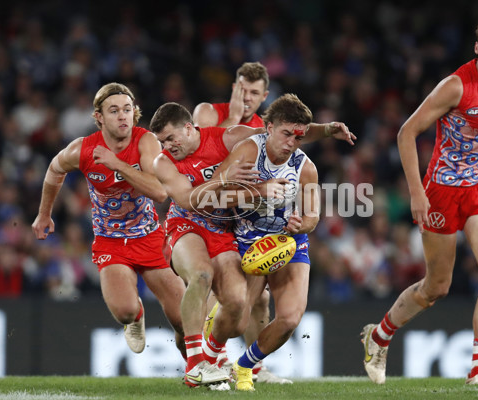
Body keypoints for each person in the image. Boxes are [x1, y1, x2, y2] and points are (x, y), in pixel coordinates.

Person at [361, 12, 478, 385]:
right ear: (476, 47)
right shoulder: (455, 86)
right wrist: (417, 193)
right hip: (440, 192)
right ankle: (379, 336)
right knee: (437, 287)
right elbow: (406, 133)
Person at [149, 101, 353, 390]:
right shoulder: (171, 160)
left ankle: (235, 363)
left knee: (239, 312)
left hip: (231, 230)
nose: (167, 145)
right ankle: (200, 363)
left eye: (170, 138)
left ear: (188, 128)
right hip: (193, 222)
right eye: (162, 141)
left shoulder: (235, 138)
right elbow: (190, 202)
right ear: (269, 129)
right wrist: (253, 189)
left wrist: (328, 129)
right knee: (202, 275)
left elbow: (293, 133)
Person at [31, 82, 186, 359]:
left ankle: (196, 369)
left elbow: (159, 192)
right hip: (111, 242)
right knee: (125, 312)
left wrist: (117, 164)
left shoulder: (145, 140)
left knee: (185, 320)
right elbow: (54, 170)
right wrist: (44, 214)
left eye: (127, 109)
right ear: (99, 117)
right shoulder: (83, 149)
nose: (123, 116)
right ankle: (136, 317)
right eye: (114, 111)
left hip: (151, 238)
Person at [211, 93, 348, 391]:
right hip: (246, 240)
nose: (292, 142)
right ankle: (209, 359)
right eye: (286, 133)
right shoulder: (247, 151)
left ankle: (245, 366)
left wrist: (302, 224)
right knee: (236, 318)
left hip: (288, 241)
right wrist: (258, 191)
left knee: (290, 318)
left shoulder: (305, 167)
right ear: (268, 127)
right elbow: (212, 196)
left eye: (299, 136)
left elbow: (313, 216)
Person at [192, 61, 286, 384]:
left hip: (241, 219)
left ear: (265, 96)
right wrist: (232, 118)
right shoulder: (208, 114)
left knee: (259, 298)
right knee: (216, 290)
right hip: (204, 216)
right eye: (242, 90)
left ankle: (252, 367)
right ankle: (210, 361)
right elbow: (205, 156)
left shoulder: (265, 128)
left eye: (254, 93)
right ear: (234, 87)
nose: (247, 99)